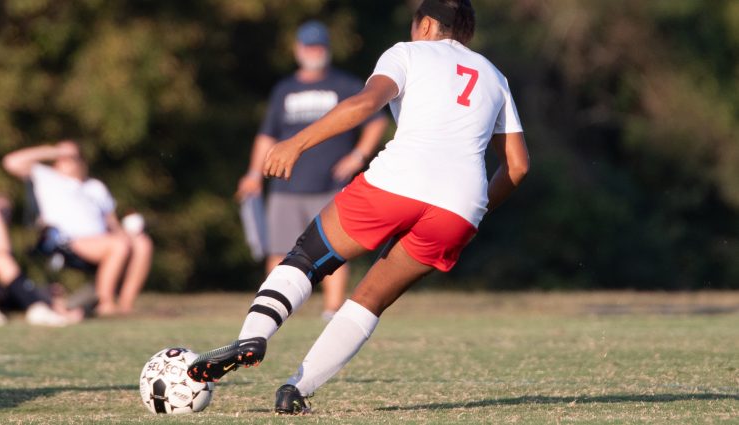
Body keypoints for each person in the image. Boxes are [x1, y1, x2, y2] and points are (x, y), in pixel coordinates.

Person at [188, 0, 529, 415]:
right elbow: (518, 166)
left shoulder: (407, 52)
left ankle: (252, 337)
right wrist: (475, 211)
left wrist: (297, 142)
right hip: (459, 208)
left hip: (397, 182)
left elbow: (365, 105)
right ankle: (296, 389)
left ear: (424, 24)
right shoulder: (494, 75)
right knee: (369, 299)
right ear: (467, 32)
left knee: (307, 259)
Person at [235, 20, 388, 320]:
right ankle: (271, 310)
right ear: (297, 49)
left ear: (327, 49)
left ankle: (331, 310)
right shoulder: (285, 89)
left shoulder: (344, 85)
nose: (313, 52)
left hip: (330, 185)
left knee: (333, 250)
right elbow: (267, 135)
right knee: (279, 251)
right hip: (286, 185)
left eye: (319, 46)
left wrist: (358, 155)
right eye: (308, 46)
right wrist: (254, 173)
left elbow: (377, 119)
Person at [2, 141, 154, 316]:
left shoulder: (95, 186)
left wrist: (128, 234)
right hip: (66, 240)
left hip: (103, 238)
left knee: (142, 243)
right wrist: (51, 151)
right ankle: (106, 303)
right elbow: (11, 161)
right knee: (118, 246)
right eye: (63, 157)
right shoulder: (47, 176)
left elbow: (111, 222)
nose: (67, 160)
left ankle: (126, 305)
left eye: (73, 157)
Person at [0, 192, 82, 326]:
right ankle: (36, 307)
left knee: (41, 292)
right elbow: (3, 246)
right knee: (0, 259)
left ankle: (40, 308)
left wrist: (42, 291)